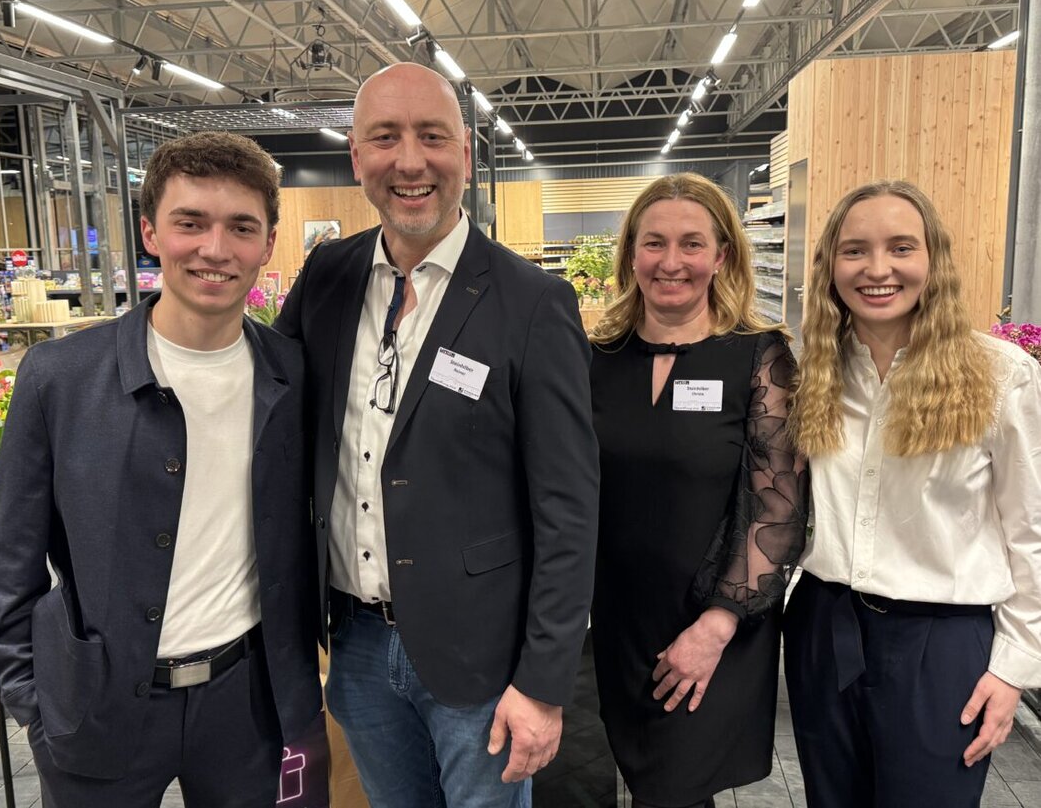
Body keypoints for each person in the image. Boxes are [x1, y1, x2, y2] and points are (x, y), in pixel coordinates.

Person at [274, 61, 599, 807]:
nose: (410, 161)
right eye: (386, 137)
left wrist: (543, 683)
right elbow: (274, 412)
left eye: (432, 136)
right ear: (356, 156)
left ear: (467, 154)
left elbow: (569, 509)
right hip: (355, 644)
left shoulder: (532, 302)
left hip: (479, 656)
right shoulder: (326, 277)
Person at [0, 131, 322, 807]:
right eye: (191, 223)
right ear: (151, 232)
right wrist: (38, 708)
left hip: (249, 706)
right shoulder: (61, 379)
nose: (215, 248)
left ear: (268, 243)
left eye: (241, 227)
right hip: (98, 708)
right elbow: (8, 565)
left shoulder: (291, 374)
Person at [785, 180, 1041, 807]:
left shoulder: (999, 375)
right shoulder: (813, 371)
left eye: (901, 247)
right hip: (825, 625)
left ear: (934, 259)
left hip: (940, 640)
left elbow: (1032, 531)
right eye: (855, 250)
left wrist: (1013, 669)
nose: (877, 269)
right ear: (830, 266)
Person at [587, 173, 808, 808]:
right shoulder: (596, 357)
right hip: (618, 621)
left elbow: (780, 506)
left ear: (722, 255)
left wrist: (716, 625)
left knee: (675, 788)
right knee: (648, 783)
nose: (671, 262)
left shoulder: (760, 356)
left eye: (692, 243)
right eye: (654, 243)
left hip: (715, 618)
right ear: (631, 253)